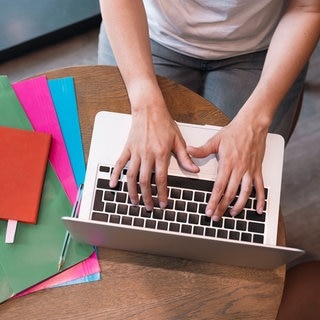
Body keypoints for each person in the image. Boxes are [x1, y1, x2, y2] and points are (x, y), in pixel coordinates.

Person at [97, 0, 320, 221]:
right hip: (148, 30)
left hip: (259, 48)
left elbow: (306, 7)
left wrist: (256, 121)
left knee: (233, 205)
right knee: (124, 187)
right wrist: (144, 102)